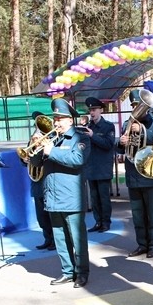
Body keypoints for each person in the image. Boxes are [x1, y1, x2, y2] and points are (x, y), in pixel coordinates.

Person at [41, 98, 90, 288]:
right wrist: (36, 152)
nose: (56, 122)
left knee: (77, 239)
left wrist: (51, 151)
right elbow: (38, 164)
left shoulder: (81, 138)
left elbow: (78, 159)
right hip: (53, 197)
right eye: (55, 118)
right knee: (60, 238)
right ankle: (67, 271)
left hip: (71, 197)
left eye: (61, 118)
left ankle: (82, 272)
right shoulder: (52, 139)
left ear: (70, 120)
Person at [118, 89, 153, 258]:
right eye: (133, 105)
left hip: (150, 174)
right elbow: (122, 147)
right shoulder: (126, 124)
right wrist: (122, 141)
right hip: (133, 175)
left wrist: (144, 131)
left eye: (139, 105)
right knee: (137, 214)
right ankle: (141, 244)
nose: (136, 109)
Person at [20, 112, 54, 251]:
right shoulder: (32, 139)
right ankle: (47, 238)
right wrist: (24, 159)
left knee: (50, 214)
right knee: (41, 216)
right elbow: (28, 158)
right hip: (36, 183)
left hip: (46, 179)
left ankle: (55, 241)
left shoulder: (50, 140)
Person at [83, 97, 117, 232]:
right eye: (90, 110)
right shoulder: (89, 127)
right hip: (91, 167)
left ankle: (106, 222)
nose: (92, 113)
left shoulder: (108, 126)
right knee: (94, 198)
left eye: (94, 110)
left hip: (103, 167)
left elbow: (108, 145)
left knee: (104, 197)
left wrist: (92, 136)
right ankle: (98, 222)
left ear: (100, 110)